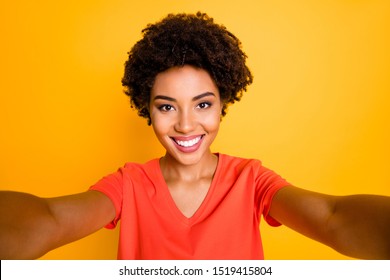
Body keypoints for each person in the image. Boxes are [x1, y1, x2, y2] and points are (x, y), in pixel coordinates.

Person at [1, 12, 389, 260]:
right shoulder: (129, 186)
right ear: (146, 108)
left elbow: (332, 217)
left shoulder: (250, 181)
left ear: (224, 102)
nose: (186, 125)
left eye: (202, 104)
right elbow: (50, 218)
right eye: (166, 107)